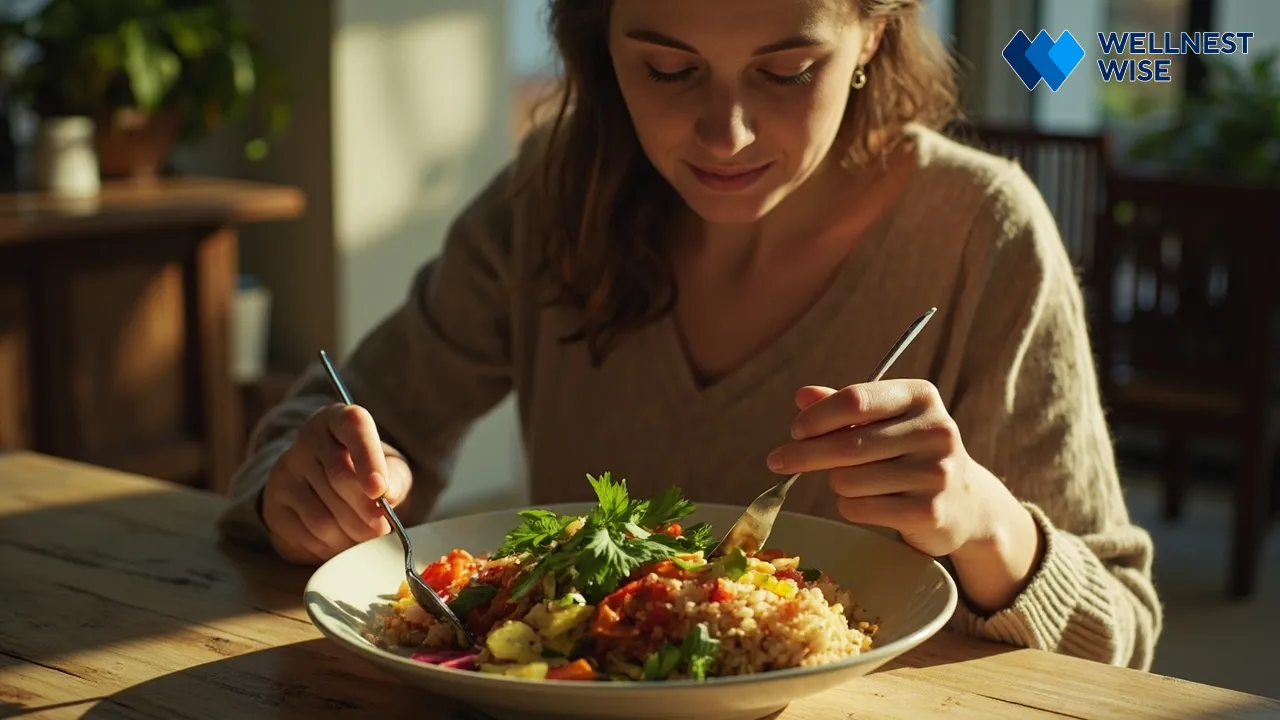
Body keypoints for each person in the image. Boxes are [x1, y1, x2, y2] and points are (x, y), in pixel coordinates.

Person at [217, 0, 1162, 671]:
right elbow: (327, 417)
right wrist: (301, 493)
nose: (727, 134)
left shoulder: (981, 232)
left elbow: (1121, 630)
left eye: (787, 71)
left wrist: (986, 522)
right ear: (600, 44)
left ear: (874, 32)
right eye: (666, 69)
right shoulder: (556, 194)